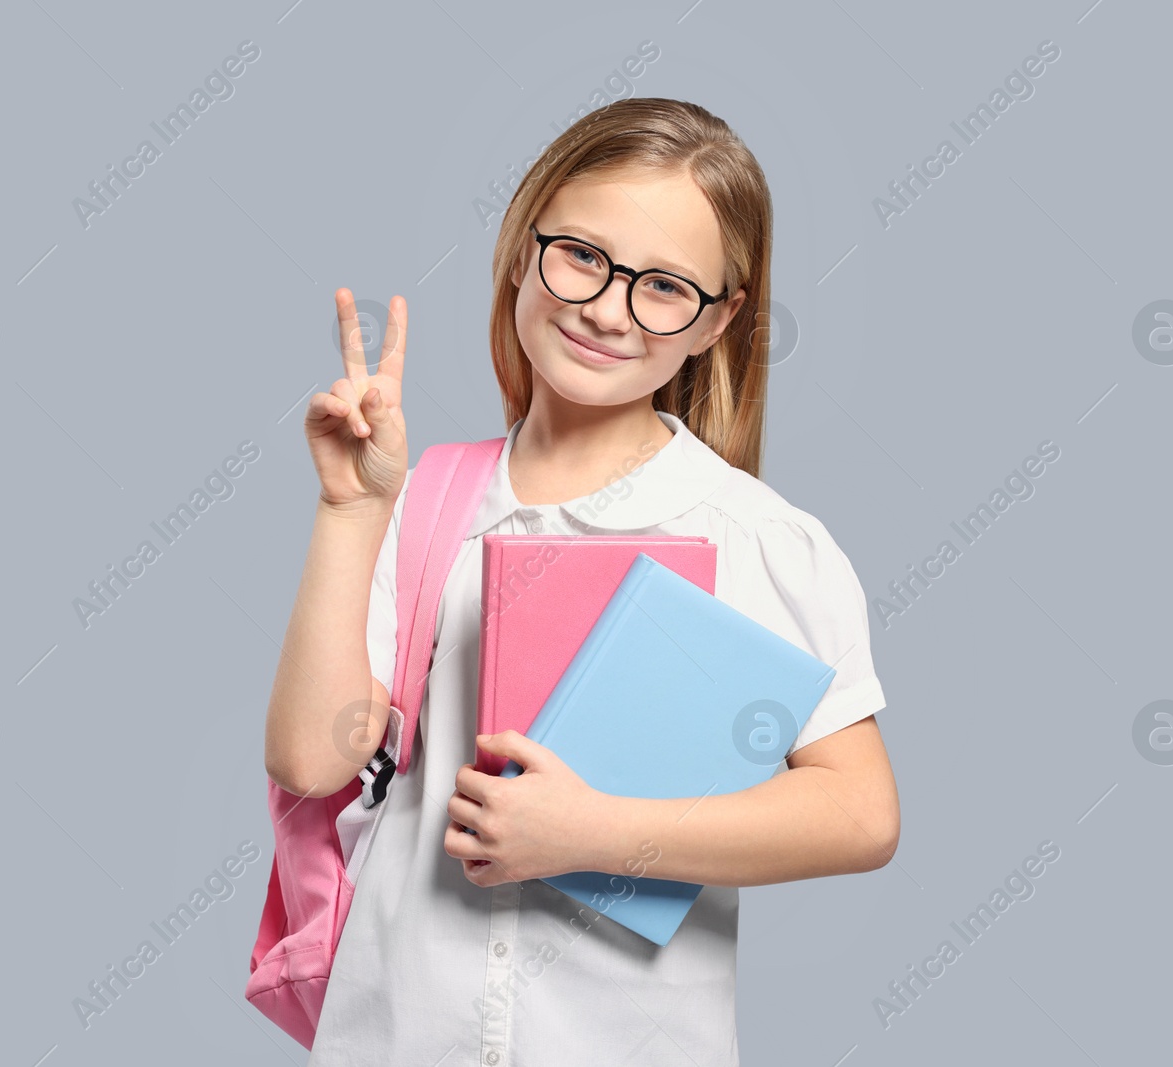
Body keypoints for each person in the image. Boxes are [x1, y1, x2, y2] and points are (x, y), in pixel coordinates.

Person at [264, 97, 899, 1066]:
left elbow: (858, 814)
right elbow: (313, 760)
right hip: (396, 1035)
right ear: (524, 248)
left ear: (718, 320)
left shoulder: (752, 536)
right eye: (583, 256)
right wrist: (353, 510)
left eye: (664, 287)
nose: (607, 307)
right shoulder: (428, 495)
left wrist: (597, 830)